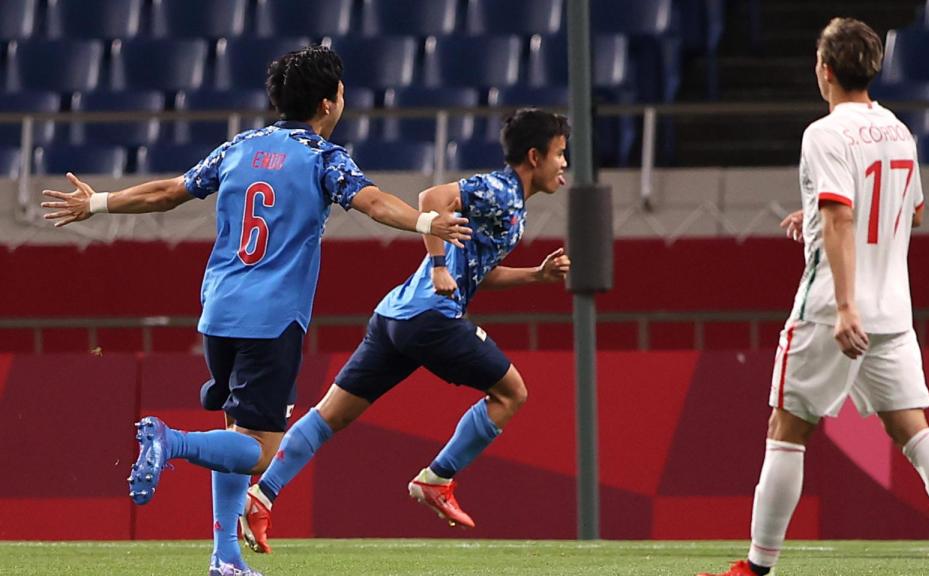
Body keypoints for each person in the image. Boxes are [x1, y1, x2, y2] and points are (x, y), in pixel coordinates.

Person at [40, 45, 470, 576]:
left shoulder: (239, 148)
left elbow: (169, 191)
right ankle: (169, 439)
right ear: (328, 102)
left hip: (219, 310)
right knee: (261, 452)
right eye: (340, 93)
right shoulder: (323, 158)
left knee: (236, 434)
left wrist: (98, 202)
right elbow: (375, 203)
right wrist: (428, 225)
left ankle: (224, 556)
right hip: (273, 318)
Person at [699, 18, 929, 576]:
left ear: (825, 70)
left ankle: (756, 567)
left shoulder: (825, 133)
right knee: (913, 428)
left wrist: (843, 306)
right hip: (893, 309)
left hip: (833, 310)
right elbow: (908, 211)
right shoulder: (898, 130)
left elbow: (841, 215)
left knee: (786, 429)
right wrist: (815, 216)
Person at [236, 108, 571, 555]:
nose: (564, 164)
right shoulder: (501, 190)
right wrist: (435, 266)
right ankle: (437, 478)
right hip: (432, 316)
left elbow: (476, 272)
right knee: (511, 393)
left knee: (329, 415)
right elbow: (432, 197)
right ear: (535, 155)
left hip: (395, 318)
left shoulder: (511, 207)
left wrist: (536, 276)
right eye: (560, 154)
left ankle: (261, 498)